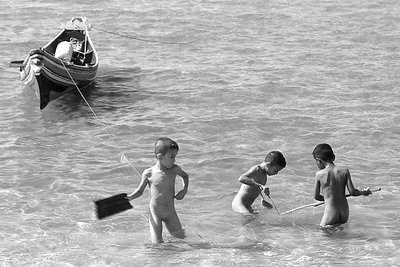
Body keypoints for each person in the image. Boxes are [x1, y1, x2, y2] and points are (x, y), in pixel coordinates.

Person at [127, 137, 189, 243]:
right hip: (155, 213)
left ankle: (175, 256)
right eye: (172, 157)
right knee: (157, 243)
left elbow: (185, 176)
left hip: (170, 212)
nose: (174, 160)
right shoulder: (149, 173)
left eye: (175, 156)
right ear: (160, 157)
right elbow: (139, 191)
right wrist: (130, 197)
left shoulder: (174, 169)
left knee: (181, 240)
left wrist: (184, 190)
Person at [312, 143, 371, 227]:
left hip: (330, 214)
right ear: (334, 157)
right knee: (341, 238)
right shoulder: (344, 171)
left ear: (318, 160)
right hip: (344, 213)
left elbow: (316, 196)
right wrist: (363, 192)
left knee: (322, 236)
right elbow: (353, 192)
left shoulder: (319, 174)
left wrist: (327, 199)